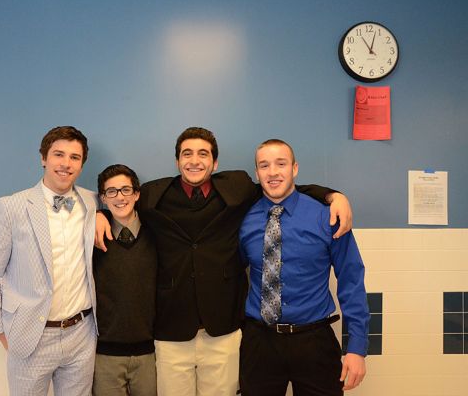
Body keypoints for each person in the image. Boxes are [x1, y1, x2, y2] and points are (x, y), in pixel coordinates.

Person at [96, 127, 353, 396]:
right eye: (187, 154)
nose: (195, 160)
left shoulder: (237, 187)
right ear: (177, 161)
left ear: (215, 162)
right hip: (171, 327)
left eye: (203, 154)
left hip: (223, 328)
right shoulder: (152, 194)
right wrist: (100, 215)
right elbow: (120, 202)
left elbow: (281, 186)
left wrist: (333, 196)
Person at [238, 139, 369, 396]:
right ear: (257, 173)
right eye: (264, 165)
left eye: (281, 164)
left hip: (314, 342)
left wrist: (356, 347)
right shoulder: (244, 219)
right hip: (259, 342)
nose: (273, 172)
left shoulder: (327, 216)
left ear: (295, 168)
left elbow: (351, 280)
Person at [0, 126, 98, 396]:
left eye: (75, 157)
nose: (66, 164)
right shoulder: (11, 207)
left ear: (82, 164)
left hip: (82, 334)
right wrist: (2, 332)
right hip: (31, 336)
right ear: (44, 158)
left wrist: (101, 215)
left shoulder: (92, 202)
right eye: (58, 155)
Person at [92, 164, 158, 396]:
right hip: (105, 354)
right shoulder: (93, 238)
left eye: (126, 190)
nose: (120, 197)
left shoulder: (157, 234)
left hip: (149, 352)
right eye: (111, 191)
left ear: (137, 194)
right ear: (103, 197)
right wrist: (97, 215)